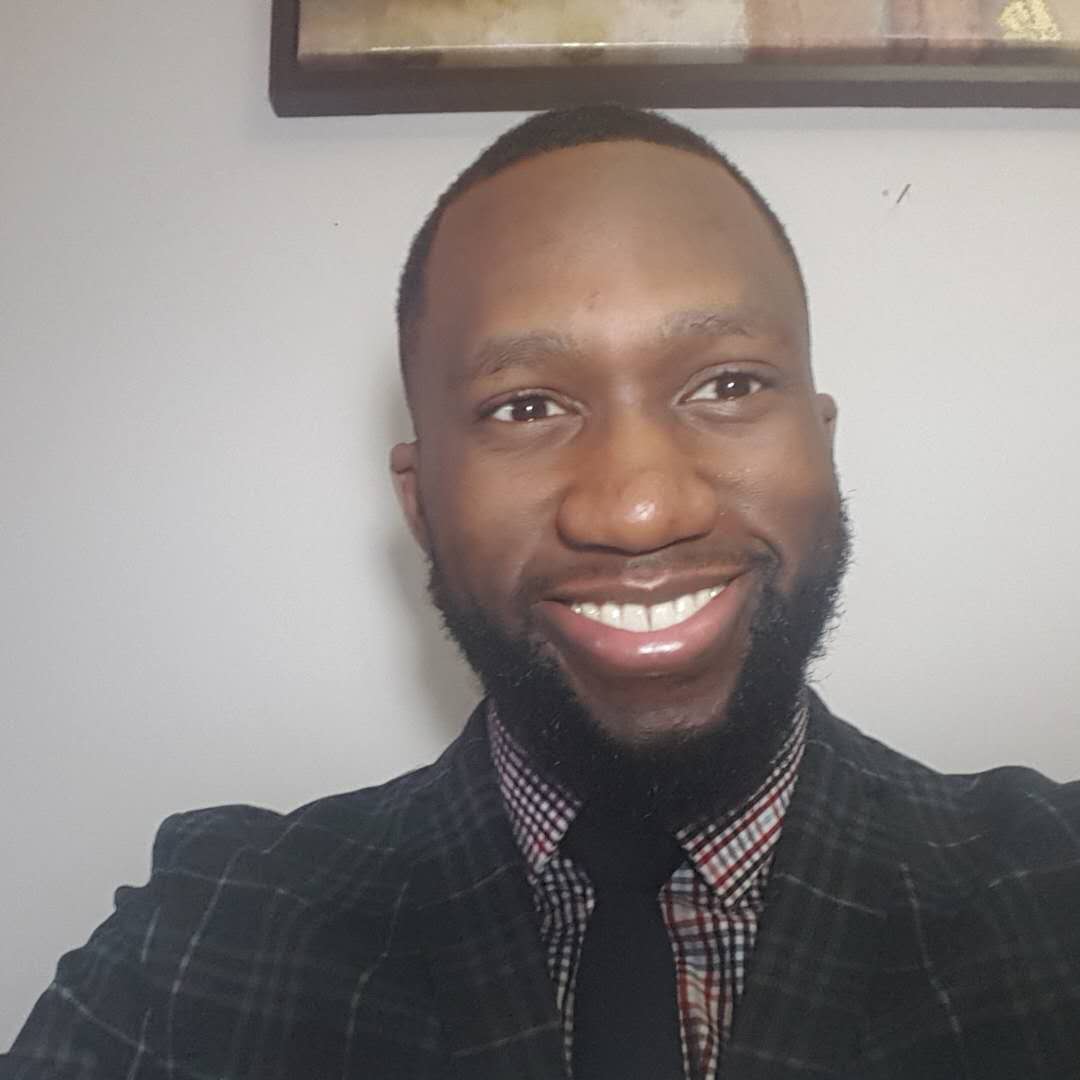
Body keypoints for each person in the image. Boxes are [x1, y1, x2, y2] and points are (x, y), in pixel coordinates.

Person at [4, 105, 1080, 1080]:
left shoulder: (1052, 897)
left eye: (728, 384)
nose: (640, 509)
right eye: (525, 407)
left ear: (823, 443)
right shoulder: (206, 943)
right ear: (420, 500)